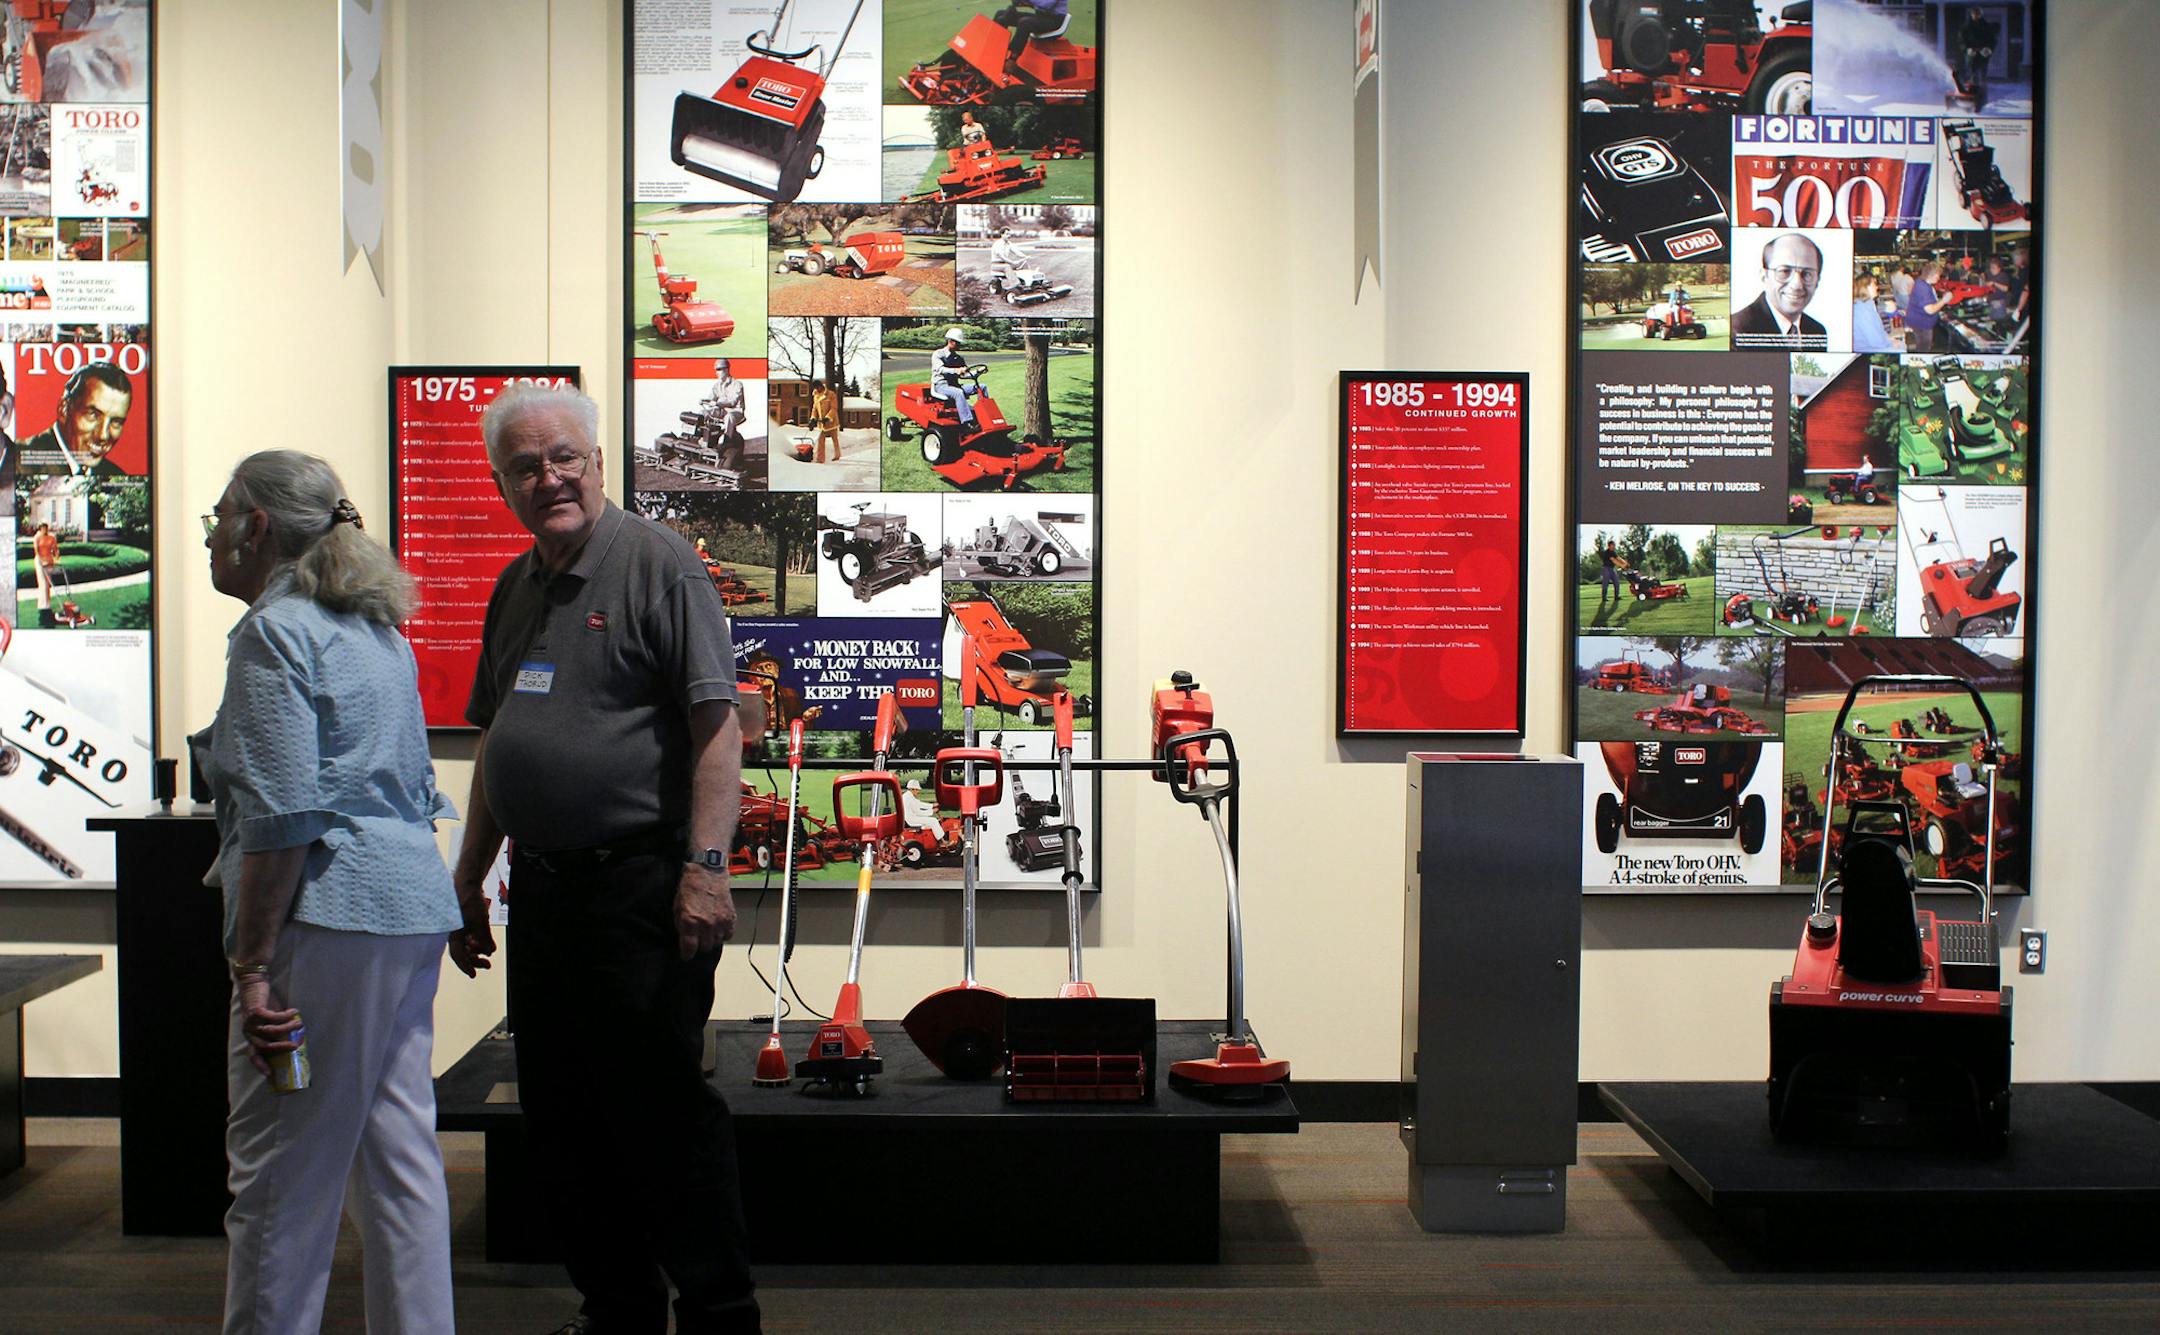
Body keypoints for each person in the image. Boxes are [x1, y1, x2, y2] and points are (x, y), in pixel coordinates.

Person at [447, 383, 759, 1335]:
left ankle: (718, 1314)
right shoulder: (516, 584)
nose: (549, 479)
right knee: (563, 1115)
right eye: (525, 467)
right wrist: (468, 876)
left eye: (563, 458)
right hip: (544, 893)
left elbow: (717, 730)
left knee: (661, 1113)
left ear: (596, 459)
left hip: (643, 890)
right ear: (503, 484)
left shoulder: (659, 564)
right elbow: (498, 743)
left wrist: (706, 867)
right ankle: (618, 1311)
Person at [196, 450, 462, 1334]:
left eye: (218, 516)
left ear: (255, 527)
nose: (211, 536)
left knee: (281, 1176)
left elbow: (281, 816)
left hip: (325, 919)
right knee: (397, 1163)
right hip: (407, 911)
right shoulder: (376, 630)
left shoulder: (275, 633)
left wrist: (252, 967)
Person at [20, 360, 131, 477]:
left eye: (116, 422)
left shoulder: (115, 474)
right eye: (93, 415)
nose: (103, 436)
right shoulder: (18, 461)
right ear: (64, 410)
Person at [1731, 232, 1827, 349]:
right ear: (1764, 276)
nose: (1797, 285)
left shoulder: (1817, 331)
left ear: (1817, 281)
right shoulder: (1736, 331)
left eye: (1807, 274)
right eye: (1784, 271)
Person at [994, 0, 1070, 78]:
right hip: (1041, 16)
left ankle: (1012, 59)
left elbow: (1046, 4)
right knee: (1001, 14)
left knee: (1025, 23)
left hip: (1054, 20)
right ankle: (994, 51)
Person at [930, 326, 976, 430]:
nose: (959, 346)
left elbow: (964, 374)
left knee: (981, 387)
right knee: (958, 393)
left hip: (955, 385)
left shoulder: (958, 358)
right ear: (950, 341)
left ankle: (984, 416)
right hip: (941, 385)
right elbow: (940, 369)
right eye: (957, 343)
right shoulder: (938, 354)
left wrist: (976, 372)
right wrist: (956, 370)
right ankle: (967, 423)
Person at [1906, 261, 1953, 353]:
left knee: (1922, 348)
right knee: (1923, 350)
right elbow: (1930, 310)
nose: (1939, 278)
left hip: (1920, 323)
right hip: (1921, 325)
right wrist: (1944, 300)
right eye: (1938, 275)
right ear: (1933, 275)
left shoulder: (1923, 284)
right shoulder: (1923, 288)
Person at [1852, 273, 1895, 352]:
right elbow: (1876, 341)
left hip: (1875, 346)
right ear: (1865, 287)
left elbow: (1880, 330)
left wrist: (1889, 340)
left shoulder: (1868, 304)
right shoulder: (1862, 310)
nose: (1877, 287)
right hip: (1867, 350)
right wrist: (1891, 344)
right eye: (1874, 284)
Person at [31, 521, 58, 624]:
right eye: (42, 527)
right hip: (40, 562)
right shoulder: (37, 537)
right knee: (43, 584)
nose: (44, 529)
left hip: (49, 562)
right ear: (40, 528)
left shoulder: (51, 537)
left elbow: (55, 549)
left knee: (48, 585)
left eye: (46, 527)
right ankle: (43, 606)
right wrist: (42, 560)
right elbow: (36, 551)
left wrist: (56, 556)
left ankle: (47, 605)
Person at [810, 380, 841, 463]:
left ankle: (837, 455)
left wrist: (828, 417)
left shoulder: (831, 394)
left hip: (831, 421)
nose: (817, 389)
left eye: (818, 387)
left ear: (821, 386)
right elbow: (814, 409)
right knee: (820, 440)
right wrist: (813, 418)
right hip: (822, 423)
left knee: (834, 439)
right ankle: (820, 459)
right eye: (815, 388)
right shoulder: (816, 395)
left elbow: (834, 408)